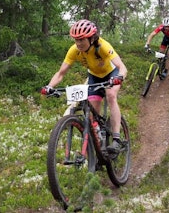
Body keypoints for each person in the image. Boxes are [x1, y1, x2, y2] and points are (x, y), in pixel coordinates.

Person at [41, 19, 128, 154]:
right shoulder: (74, 50)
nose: (78, 43)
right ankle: (98, 141)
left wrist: (119, 77)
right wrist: (49, 87)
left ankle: (116, 139)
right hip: (94, 76)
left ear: (92, 38)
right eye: (76, 40)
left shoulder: (103, 46)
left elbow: (122, 67)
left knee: (111, 96)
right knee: (93, 110)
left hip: (111, 74)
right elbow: (61, 73)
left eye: (82, 40)